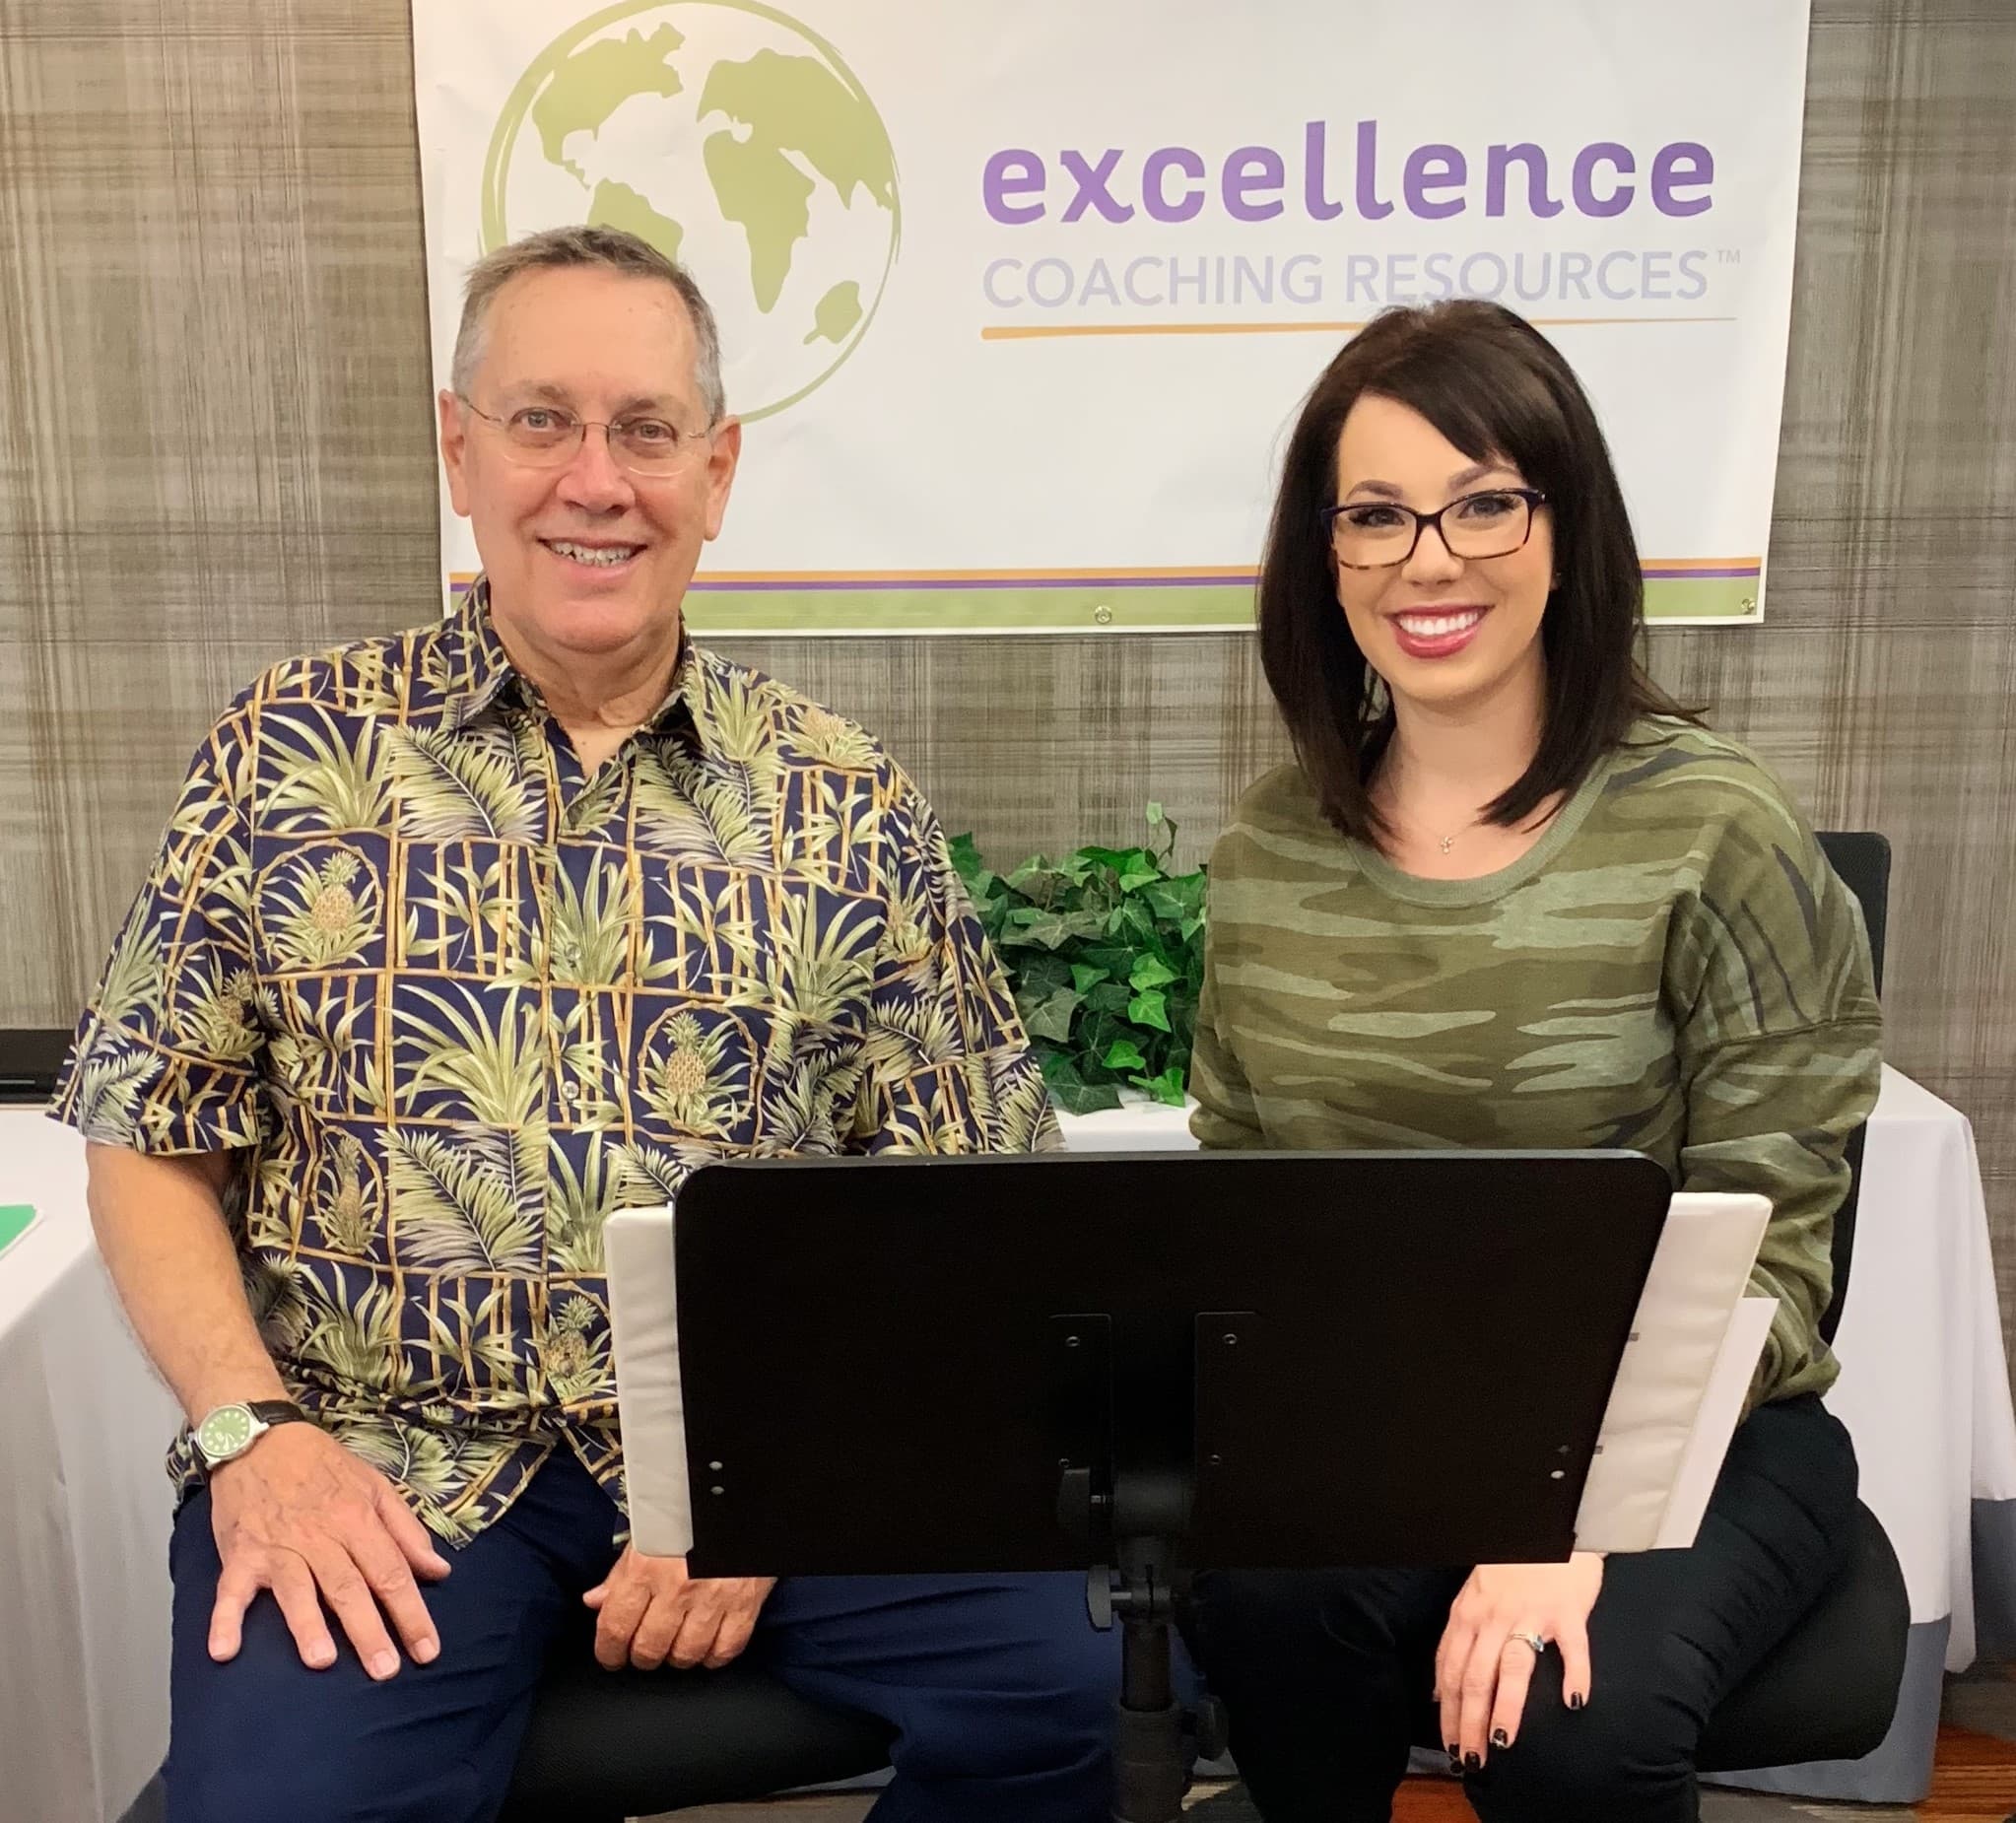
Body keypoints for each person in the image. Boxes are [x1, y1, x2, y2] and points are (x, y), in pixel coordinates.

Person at [50, 225, 1116, 1823]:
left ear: (718, 465)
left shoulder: (839, 795)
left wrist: (779, 1495)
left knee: (1068, 1688)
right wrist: (247, 1433)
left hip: (764, 1456)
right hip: (382, 1459)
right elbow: (152, 1138)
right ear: (458, 445)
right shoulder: (288, 752)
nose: (594, 479)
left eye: (644, 429)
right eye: (542, 419)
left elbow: (974, 1208)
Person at [1178, 300, 1882, 1823]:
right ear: (1325, 554)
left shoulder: (1712, 828)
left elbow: (1774, 1255)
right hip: (1385, 1423)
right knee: (1263, 1610)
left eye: (1482, 501)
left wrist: (1567, 1523)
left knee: (1569, 1715)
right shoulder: (1268, 842)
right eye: (1374, 515)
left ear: (1567, 528)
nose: (1426, 558)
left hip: (1694, 1429)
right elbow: (1241, 1205)